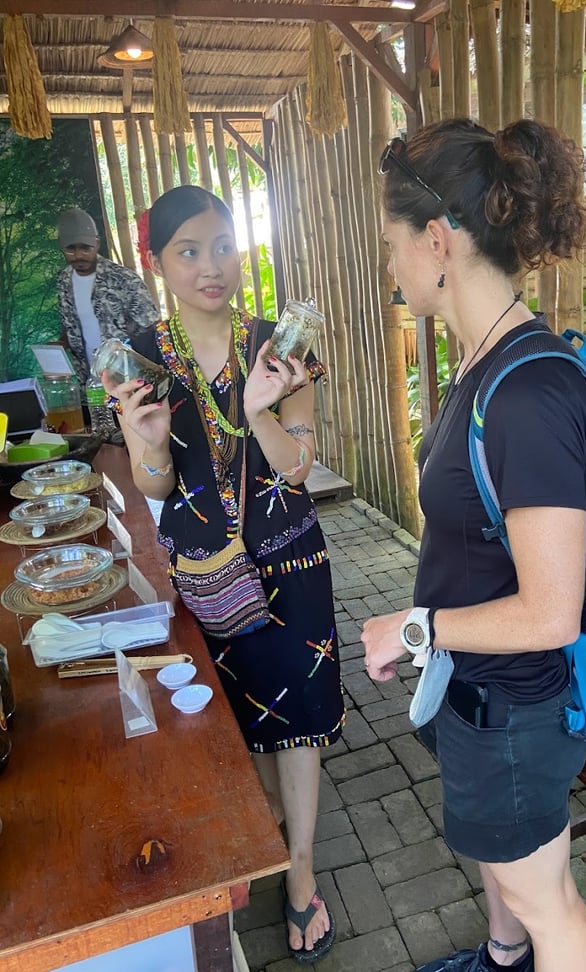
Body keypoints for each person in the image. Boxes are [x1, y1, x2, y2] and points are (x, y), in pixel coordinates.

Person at [361, 119, 586, 972]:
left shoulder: (528, 395)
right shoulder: (485, 362)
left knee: (550, 905)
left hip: (516, 708)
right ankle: (503, 959)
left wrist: (414, 628)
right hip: (479, 692)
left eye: (391, 244)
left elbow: (550, 613)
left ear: (436, 240)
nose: (391, 266)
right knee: (505, 872)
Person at [103, 185, 344, 964]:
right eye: (189, 251)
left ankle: (300, 870)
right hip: (206, 573)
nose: (212, 266)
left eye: (223, 245)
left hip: (290, 563)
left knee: (297, 721)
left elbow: (299, 468)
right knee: (239, 719)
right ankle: (266, 829)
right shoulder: (142, 359)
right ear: (157, 262)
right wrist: (147, 444)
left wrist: (261, 408)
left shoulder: (280, 343)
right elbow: (154, 486)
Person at [56, 207, 159, 387]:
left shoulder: (124, 280)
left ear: (97, 243)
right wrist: (60, 346)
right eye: (71, 249)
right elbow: (72, 327)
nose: (79, 255)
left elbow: (153, 331)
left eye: (86, 248)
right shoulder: (64, 281)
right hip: (88, 385)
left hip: (129, 382)